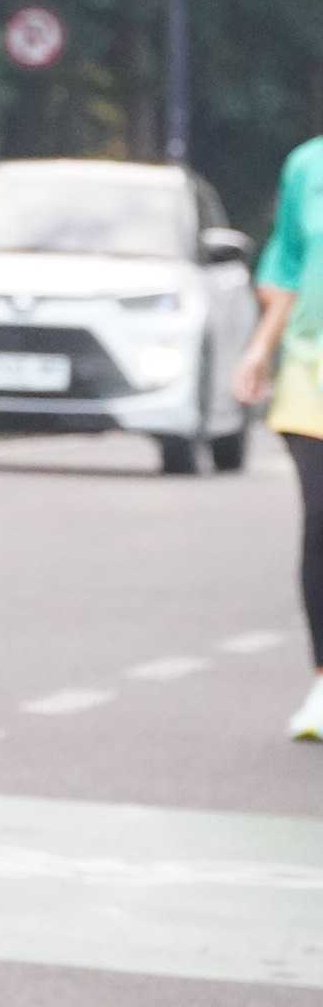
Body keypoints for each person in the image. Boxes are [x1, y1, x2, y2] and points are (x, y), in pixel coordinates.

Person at [235, 132, 323, 742]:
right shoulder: (308, 166)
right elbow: (288, 264)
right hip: (312, 368)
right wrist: (259, 349)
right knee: (321, 522)